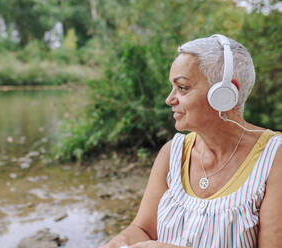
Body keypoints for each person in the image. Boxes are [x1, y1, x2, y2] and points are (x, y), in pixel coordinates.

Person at [99, 34, 282, 248]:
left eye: (182, 88)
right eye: (172, 87)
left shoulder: (275, 159)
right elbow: (144, 230)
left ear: (225, 93)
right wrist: (119, 242)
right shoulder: (172, 152)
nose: (170, 100)